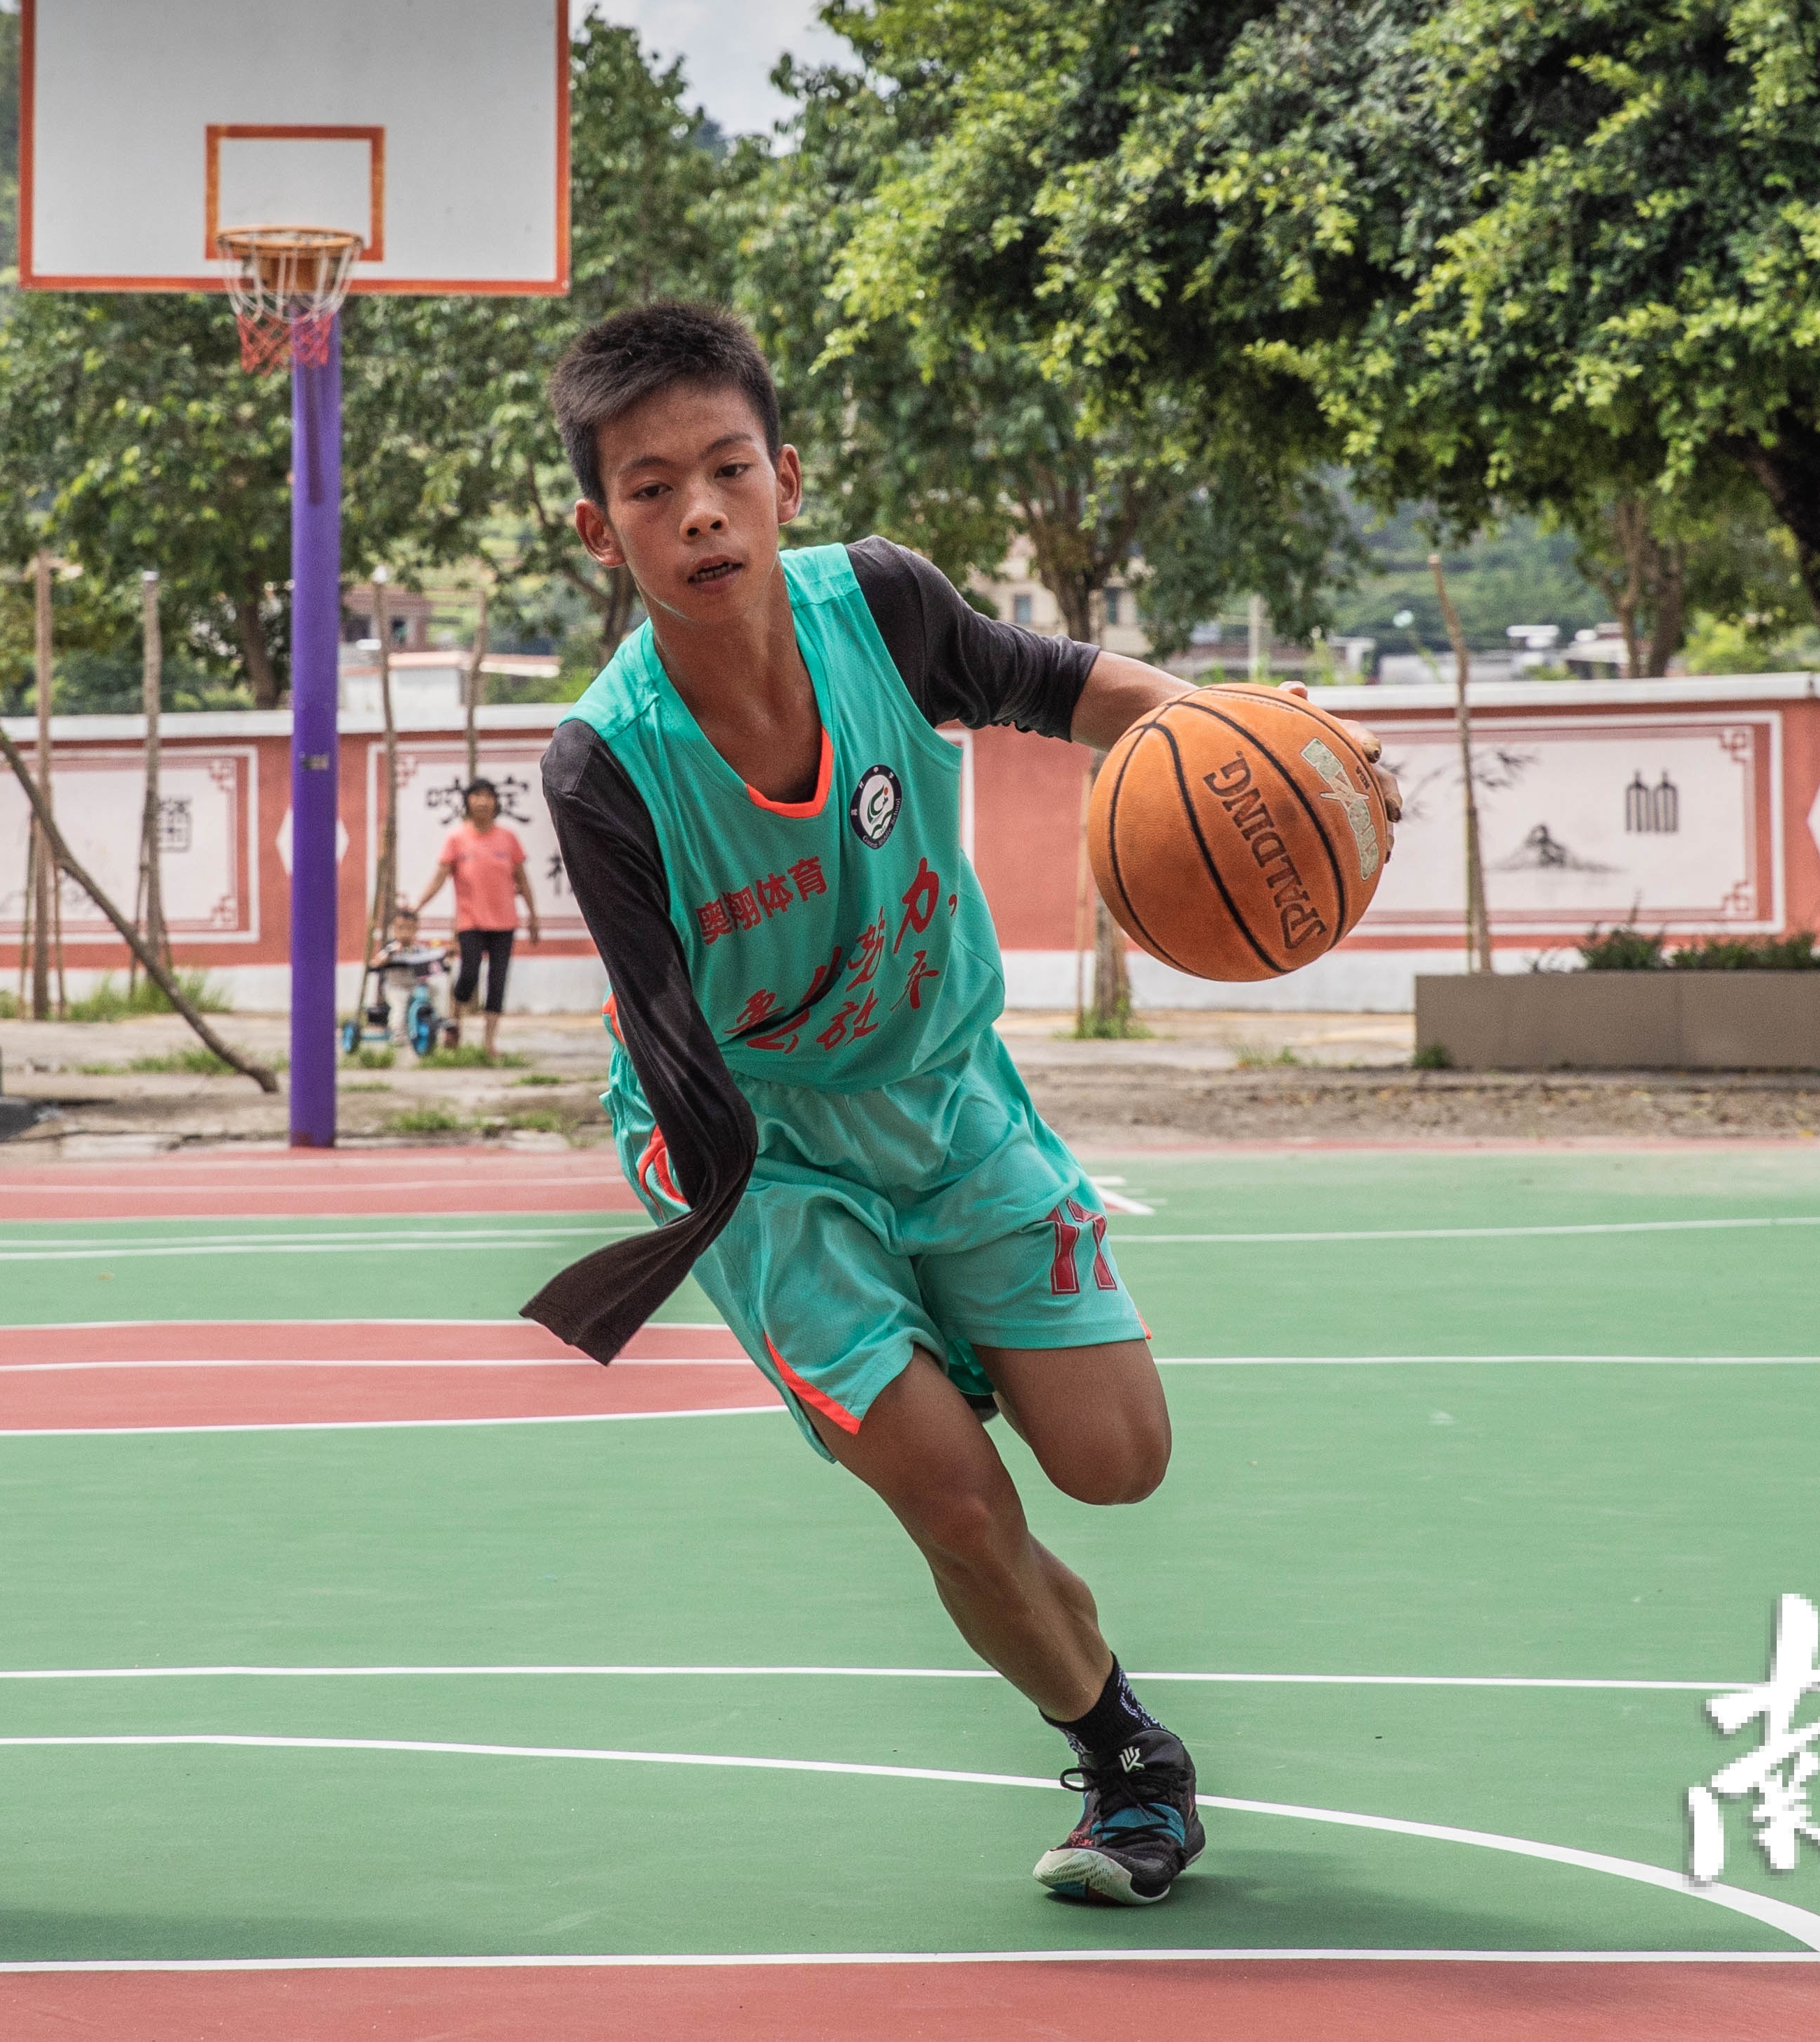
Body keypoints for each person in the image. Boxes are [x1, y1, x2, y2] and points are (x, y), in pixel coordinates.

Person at [519, 302, 1395, 1908]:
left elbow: (1077, 694)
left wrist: (1297, 752)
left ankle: (964, 1349)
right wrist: (714, 1251)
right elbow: (667, 1041)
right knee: (952, 1497)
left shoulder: (882, 610)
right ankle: (1126, 1759)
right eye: (650, 489)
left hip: (940, 1088)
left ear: (782, 476)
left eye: (724, 470)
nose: (696, 511)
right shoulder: (603, 768)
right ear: (599, 528)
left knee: (1116, 1459)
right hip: (753, 1152)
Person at [411, 779, 541, 1059]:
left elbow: (523, 880)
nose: (483, 801)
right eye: (477, 796)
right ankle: (454, 1027)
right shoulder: (457, 838)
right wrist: (417, 907)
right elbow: (439, 878)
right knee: (468, 974)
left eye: (488, 796)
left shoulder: (508, 838)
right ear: (467, 802)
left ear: (496, 802)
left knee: (498, 980)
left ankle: (488, 1043)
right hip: (470, 922)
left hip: (505, 923)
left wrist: (533, 916)